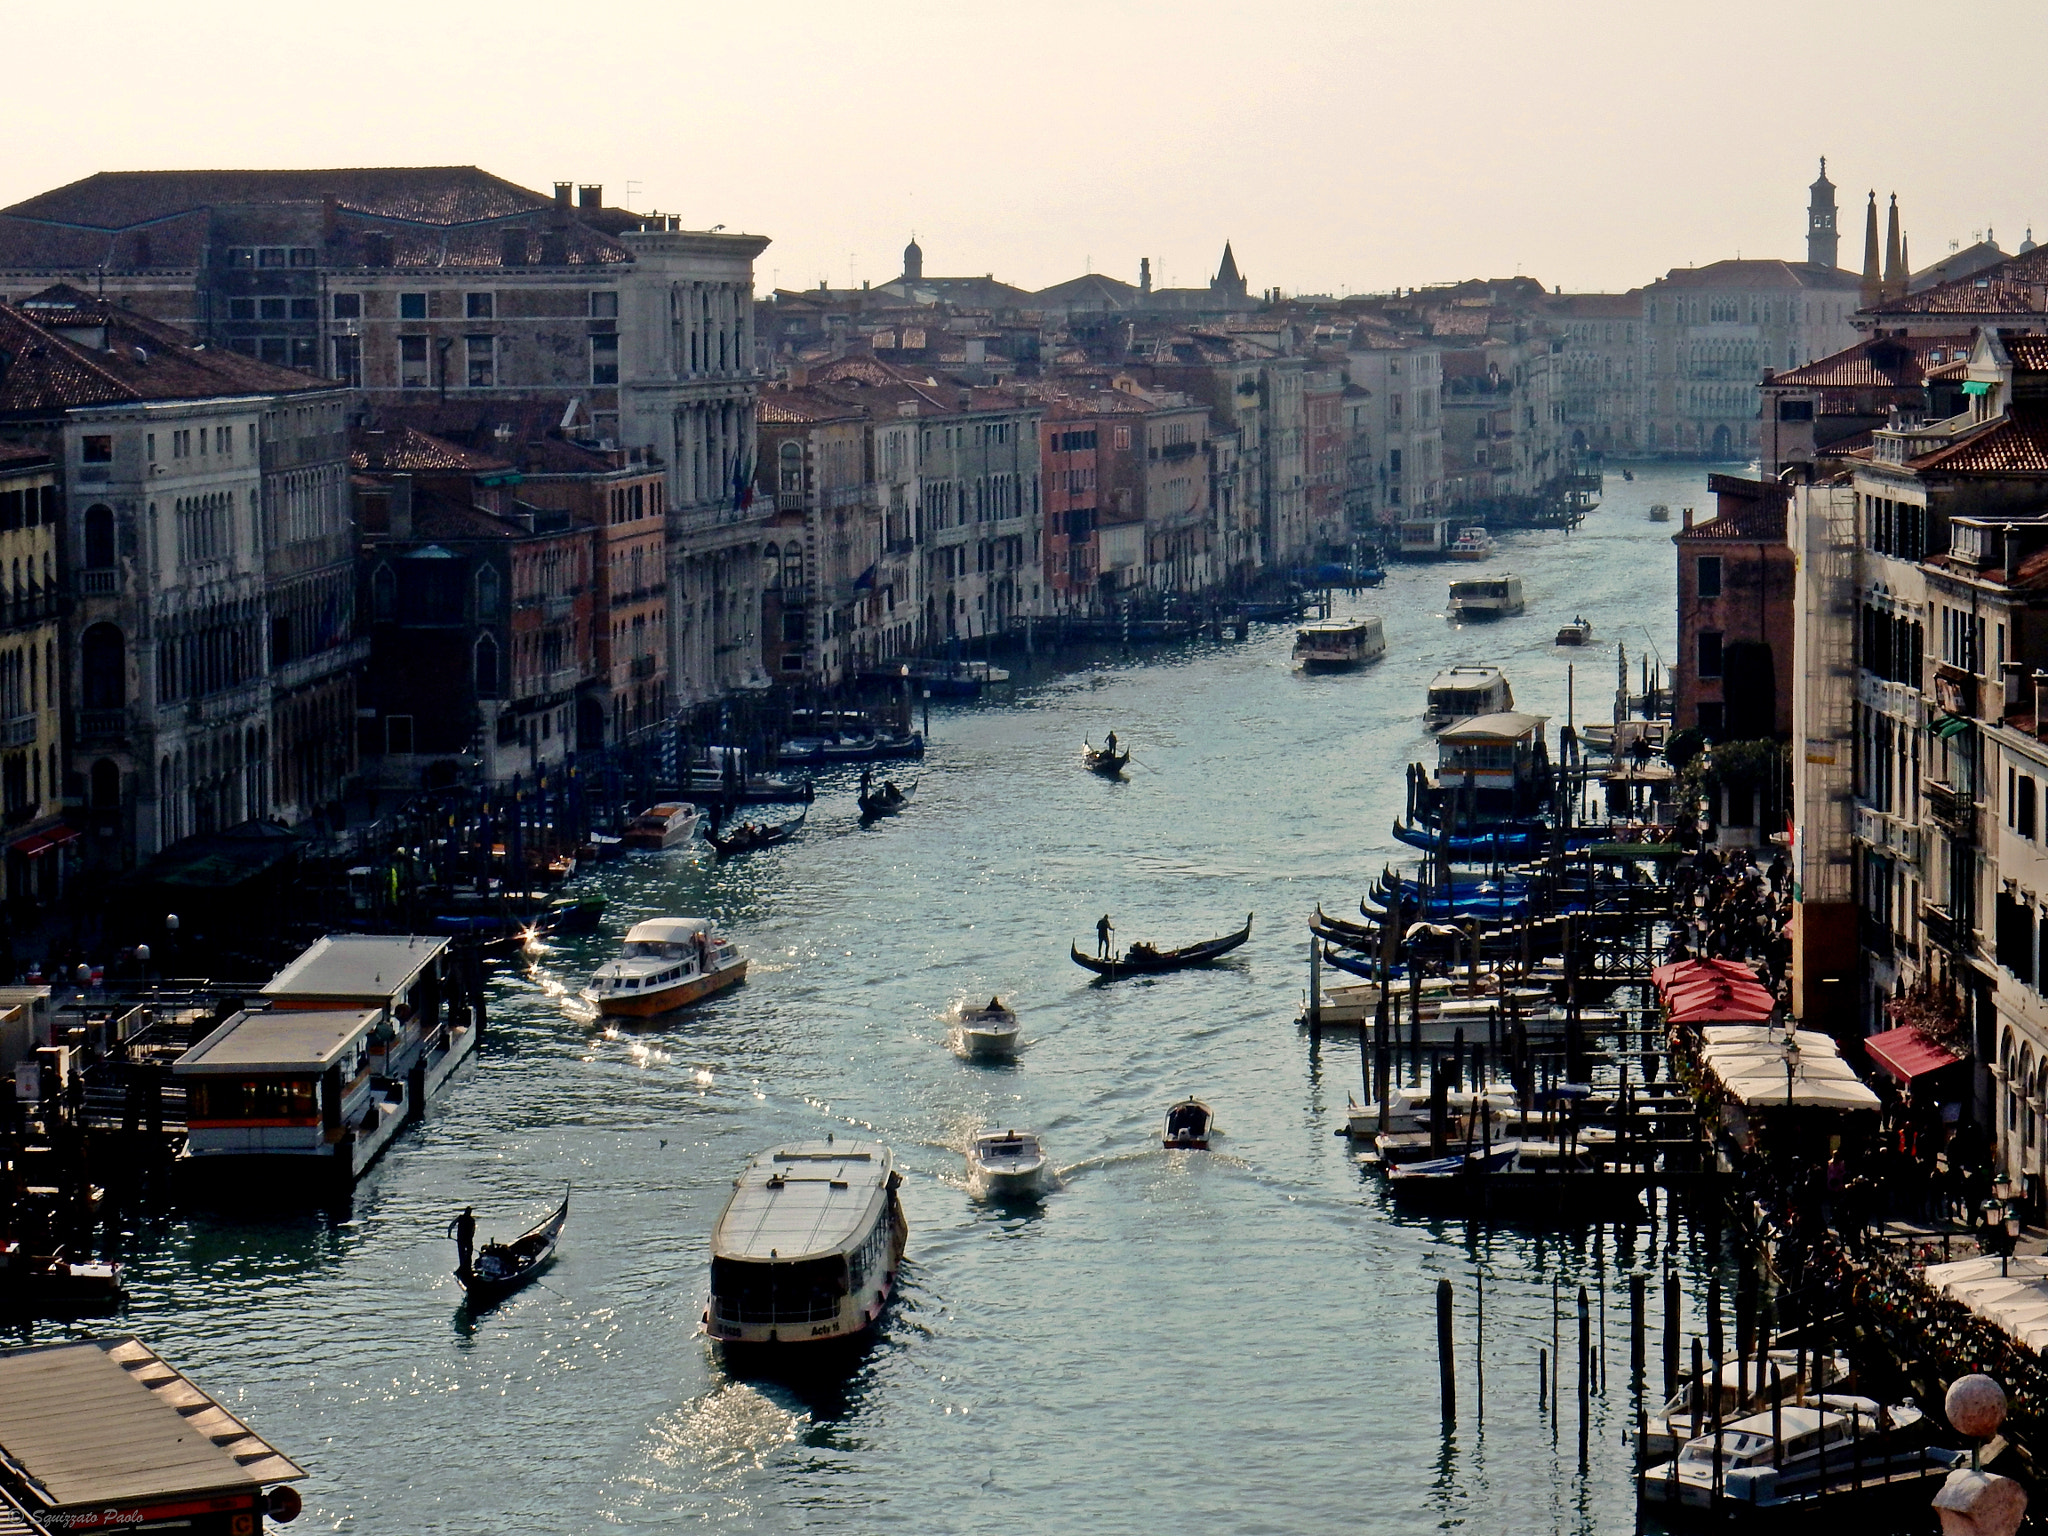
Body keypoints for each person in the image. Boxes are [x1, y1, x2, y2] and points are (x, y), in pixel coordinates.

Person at [448, 1206, 477, 1277]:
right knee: (467, 1253)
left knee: (463, 1254)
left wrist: (449, 1234)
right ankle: (466, 1268)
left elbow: (452, 1225)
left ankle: (465, 1268)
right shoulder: (471, 1220)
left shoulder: (462, 1218)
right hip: (466, 1240)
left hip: (463, 1240)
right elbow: (473, 1231)